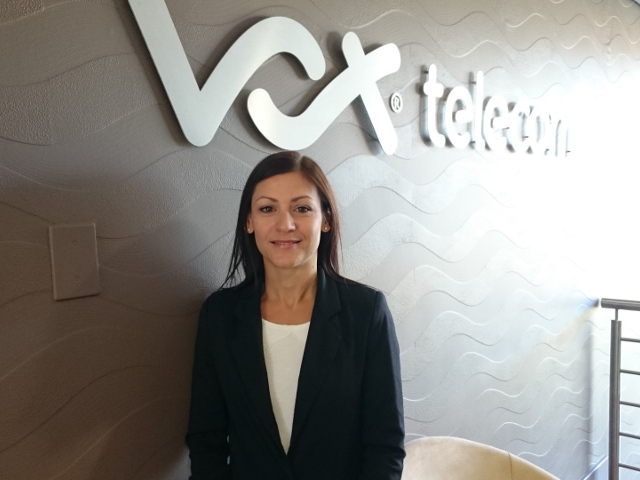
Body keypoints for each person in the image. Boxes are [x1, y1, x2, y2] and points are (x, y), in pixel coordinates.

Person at [186, 151, 405, 479]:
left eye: (301, 208)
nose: (285, 224)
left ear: (325, 219)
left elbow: (385, 446)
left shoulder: (366, 312)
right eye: (267, 209)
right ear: (249, 221)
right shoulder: (219, 315)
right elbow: (207, 441)